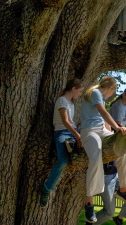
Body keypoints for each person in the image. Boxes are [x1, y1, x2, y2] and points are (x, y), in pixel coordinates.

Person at [80, 76, 126, 223]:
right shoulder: (95, 92)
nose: (112, 94)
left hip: (101, 130)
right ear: (110, 88)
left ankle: (123, 189)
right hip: (89, 131)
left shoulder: (100, 96)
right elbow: (104, 113)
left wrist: (115, 131)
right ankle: (89, 203)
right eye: (113, 91)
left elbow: (103, 117)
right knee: (96, 157)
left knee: (124, 150)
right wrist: (117, 127)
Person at [39, 78, 84, 207]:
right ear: (73, 88)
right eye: (79, 91)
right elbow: (65, 122)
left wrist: (78, 135)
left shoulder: (72, 103)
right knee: (63, 160)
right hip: (62, 133)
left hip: (73, 132)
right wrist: (78, 136)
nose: (80, 94)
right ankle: (46, 189)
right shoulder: (62, 101)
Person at [87, 161, 126, 225]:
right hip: (105, 177)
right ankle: (91, 223)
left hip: (116, 174)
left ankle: (119, 218)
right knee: (109, 212)